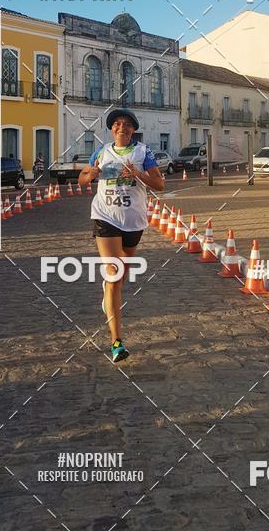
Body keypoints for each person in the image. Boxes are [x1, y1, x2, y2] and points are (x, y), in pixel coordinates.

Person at [78, 109, 164, 362]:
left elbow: (160, 185)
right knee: (115, 273)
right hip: (105, 217)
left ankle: (108, 292)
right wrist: (90, 175)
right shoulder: (101, 152)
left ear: (133, 129)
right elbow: (83, 178)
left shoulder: (143, 152)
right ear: (111, 129)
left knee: (120, 275)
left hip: (133, 221)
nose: (121, 127)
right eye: (117, 124)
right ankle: (117, 342)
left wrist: (139, 174)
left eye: (126, 124)